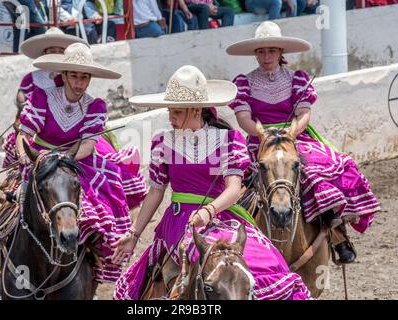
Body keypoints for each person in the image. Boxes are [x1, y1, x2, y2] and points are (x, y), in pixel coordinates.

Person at [112, 65, 312, 300]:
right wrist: (134, 233)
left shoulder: (228, 140)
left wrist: (208, 211)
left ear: (196, 109)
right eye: (170, 111)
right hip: (180, 220)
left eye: (176, 112)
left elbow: (234, 188)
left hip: (224, 215)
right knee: (199, 261)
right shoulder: (162, 143)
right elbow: (156, 193)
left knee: (267, 261)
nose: (170, 117)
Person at [226, 21, 380, 263]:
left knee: (318, 169)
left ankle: (338, 234)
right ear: (256, 54)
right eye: (261, 52)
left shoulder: (297, 78)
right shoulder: (243, 83)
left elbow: (304, 115)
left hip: (295, 137)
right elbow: (243, 118)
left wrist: (289, 133)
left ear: (280, 53)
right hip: (260, 140)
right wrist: (263, 134)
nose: (266, 56)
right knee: (238, 181)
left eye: (271, 51)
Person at [14, 42, 145, 283]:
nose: (79, 82)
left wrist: (65, 159)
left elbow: (87, 145)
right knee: (17, 198)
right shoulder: (42, 97)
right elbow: (24, 134)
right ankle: (6, 239)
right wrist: (26, 156)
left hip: (77, 157)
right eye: (74, 75)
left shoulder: (95, 106)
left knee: (105, 192)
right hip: (41, 155)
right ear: (63, 75)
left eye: (85, 77)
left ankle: (96, 253)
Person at [2, 27, 89, 169]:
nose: (57, 54)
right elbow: (21, 95)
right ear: (45, 53)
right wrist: (31, 103)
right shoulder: (32, 77)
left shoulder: (72, 75)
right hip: (38, 119)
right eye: (52, 51)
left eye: (61, 51)